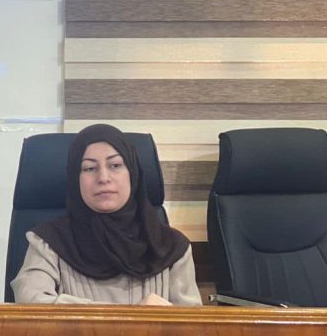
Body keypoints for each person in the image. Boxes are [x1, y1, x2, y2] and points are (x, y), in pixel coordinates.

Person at [12, 123, 201, 306]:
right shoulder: (48, 243)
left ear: (132, 173)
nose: (103, 178)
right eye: (89, 168)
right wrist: (133, 315)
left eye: (115, 165)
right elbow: (30, 303)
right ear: (75, 178)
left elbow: (195, 323)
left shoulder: (171, 247)